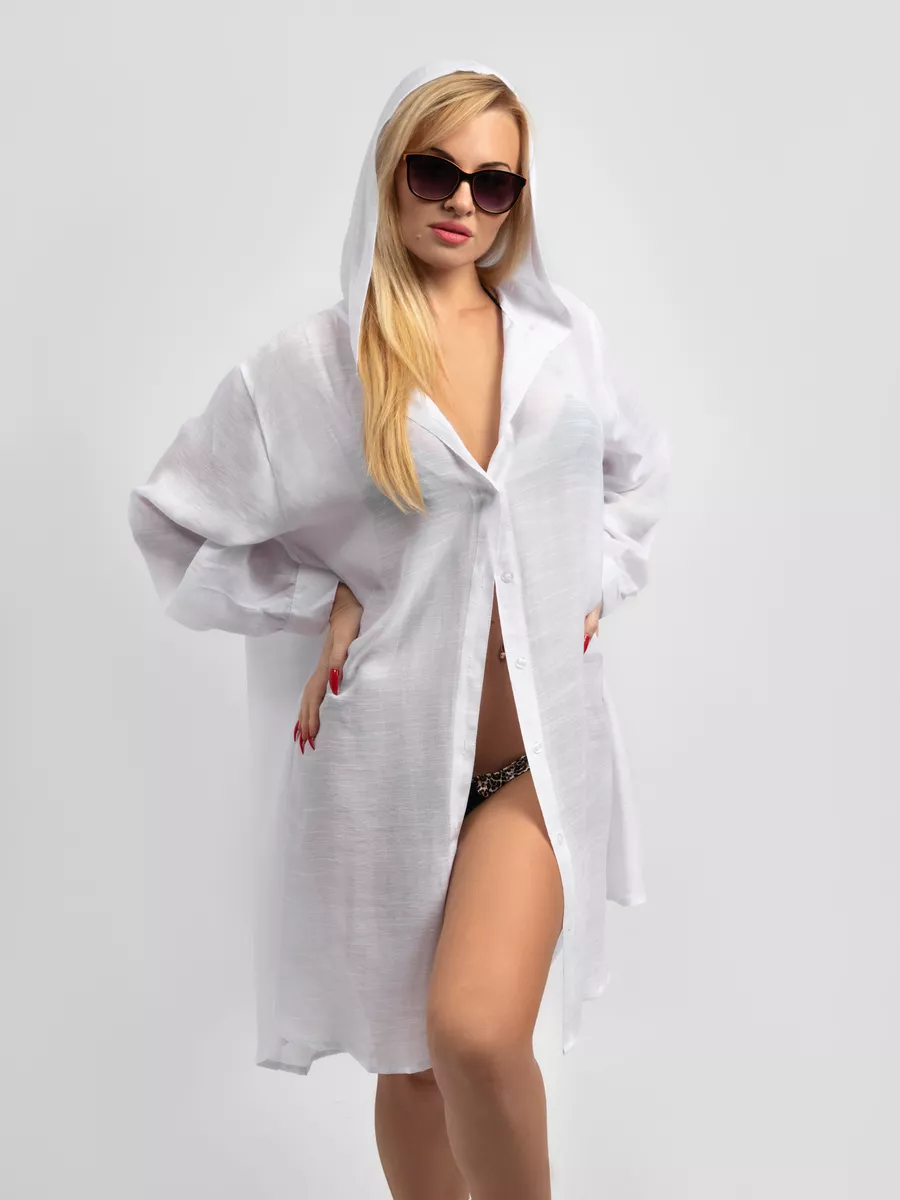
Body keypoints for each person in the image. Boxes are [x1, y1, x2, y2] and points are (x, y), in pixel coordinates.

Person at [128, 58, 671, 1200]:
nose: (463, 202)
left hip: (532, 767)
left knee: (473, 1031)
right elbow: (172, 522)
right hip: (386, 776)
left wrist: (596, 573)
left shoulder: (561, 341)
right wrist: (312, 600)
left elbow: (637, 474)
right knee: (414, 1067)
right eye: (437, 171)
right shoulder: (315, 370)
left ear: (517, 201)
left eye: (494, 183)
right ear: (392, 173)